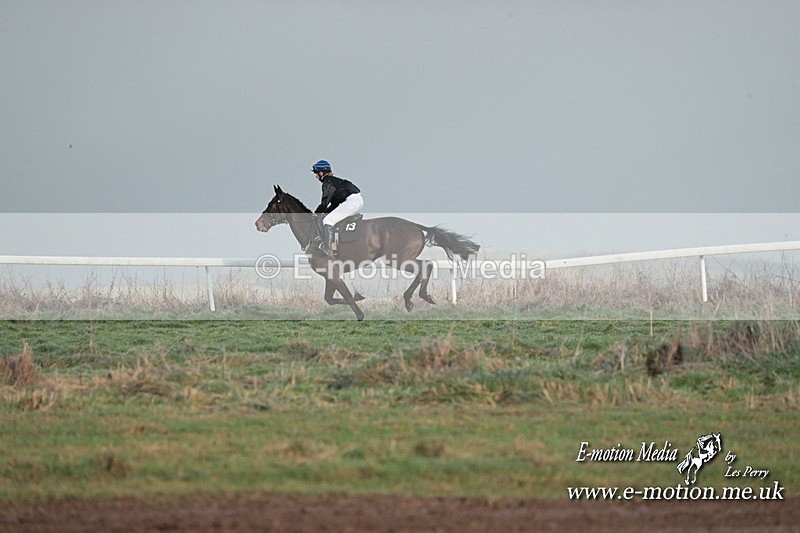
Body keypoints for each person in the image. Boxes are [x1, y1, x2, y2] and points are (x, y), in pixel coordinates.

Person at [311, 160, 364, 255]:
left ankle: (328, 248)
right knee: (329, 217)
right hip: (356, 200)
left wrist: (315, 213)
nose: (316, 177)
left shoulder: (327, 182)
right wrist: (324, 212)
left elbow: (324, 203)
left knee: (327, 221)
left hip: (351, 201)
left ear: (322, 172)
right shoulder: (334, 182)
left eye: (316, 173)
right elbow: (334, 204)